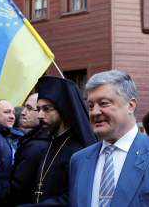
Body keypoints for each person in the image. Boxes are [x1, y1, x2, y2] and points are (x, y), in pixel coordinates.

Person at [69, 70, 149, 207]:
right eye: (90, 106)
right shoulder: (79, 161)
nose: (95, 112)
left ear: (130, 106)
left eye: (104, 103)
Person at [25, 76, 97, 206]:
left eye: (46, 109)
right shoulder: (51, 144)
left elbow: (72, 198)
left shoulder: (79, 150)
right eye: (39, 109)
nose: (40, 115)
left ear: (63, 110)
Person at [10, 93, 49, 206]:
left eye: (29, 108)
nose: (22, 112)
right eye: (24, 107)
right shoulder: (33, 140)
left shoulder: (35, 147)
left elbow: (18, 188)